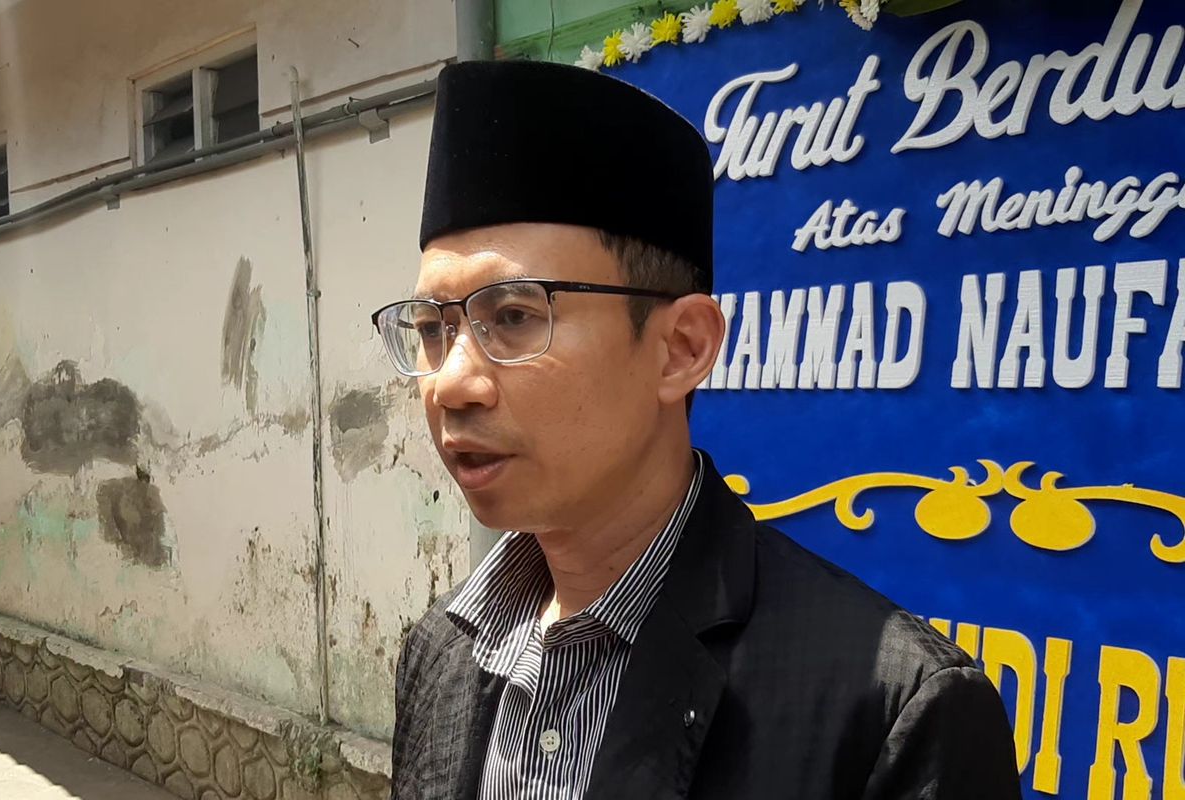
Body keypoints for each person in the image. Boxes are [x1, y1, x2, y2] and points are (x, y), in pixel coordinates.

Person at [379, 60, 1021, 800]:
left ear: (682, 348)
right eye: (433, 328)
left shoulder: (891, 714)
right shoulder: (440, 652)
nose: (451, 382)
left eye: (515, 316)